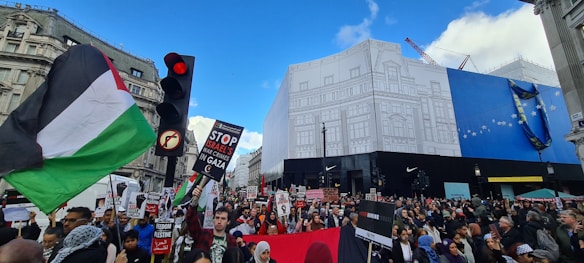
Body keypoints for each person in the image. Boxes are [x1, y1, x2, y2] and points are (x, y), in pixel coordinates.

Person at [188, 185, 237, 263]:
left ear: (228, 222)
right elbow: (191, 222)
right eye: (217, 217)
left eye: (223, 218)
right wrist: (194, 201)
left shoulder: (232, 241)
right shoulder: (203, 234)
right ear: (213, 219)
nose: (219, 221)